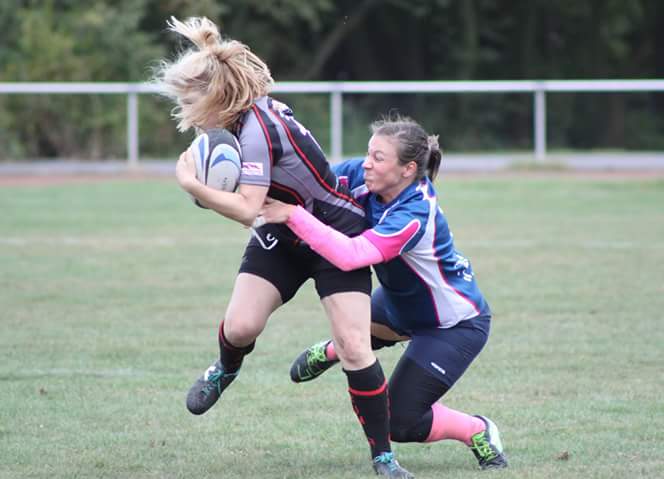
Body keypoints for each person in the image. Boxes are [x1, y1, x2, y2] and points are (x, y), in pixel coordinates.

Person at [154, 17, 412, 478]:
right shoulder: (237, 120)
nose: (186, 112)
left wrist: (191, 183)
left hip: (334, 230)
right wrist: (211, 188)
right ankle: (225, 368)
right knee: (240, 326)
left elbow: (245, 208)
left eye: (189, 101)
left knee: (354, 346)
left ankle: (384, 456)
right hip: (282, 230)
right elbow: (251, 204)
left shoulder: (257, 129)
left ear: (215, 95)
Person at [258, 115, 508, 470]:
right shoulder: (365, 179)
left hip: (452, 326)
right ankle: (337, 348)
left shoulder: (414, 212)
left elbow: (352, 256)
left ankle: (476, 429)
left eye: (378, 157)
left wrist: (291, 214)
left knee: (399, 422)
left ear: (407, 169)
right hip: (396, 307)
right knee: (354, 344)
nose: (366, 163)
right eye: (368, 153)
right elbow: (315, 182)